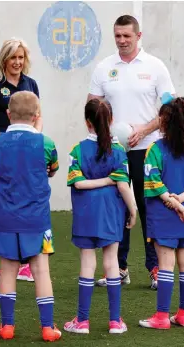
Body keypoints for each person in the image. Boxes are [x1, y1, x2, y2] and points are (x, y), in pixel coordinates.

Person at [88, 15, 177, 289]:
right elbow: (92, 108)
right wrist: (103, 139)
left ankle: (154, 268)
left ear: (139, 36)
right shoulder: (104, 68)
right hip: (113, 152)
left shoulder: (155, 67)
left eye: (127, 36)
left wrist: (146, 128)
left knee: (149, 208)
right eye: (117, 36)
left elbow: (170, 109)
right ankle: (120, 268)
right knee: (117, 209)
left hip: (147, 150)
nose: (122, 41)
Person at [0, 91, 62, 342]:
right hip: (36, 218)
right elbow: (52, 169)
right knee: (41, 271)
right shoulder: (46, 143)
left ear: (8, 114)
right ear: (36, 116)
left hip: (5, 217)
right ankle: (47, 328)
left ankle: (7, 326)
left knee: (7, 271)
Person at [63, 99, 137, 335]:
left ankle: (82, 322)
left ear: (87, 123)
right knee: (111, 262)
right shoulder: (118, 151)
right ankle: (115, 321)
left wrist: (99, 182)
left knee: (87, 262)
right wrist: (133, 210)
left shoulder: (77, 150)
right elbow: (124, 186)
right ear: (112, 121)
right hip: (111, 214)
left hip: (85, 213)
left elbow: (79, 183)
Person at [0, 38, 41, 284]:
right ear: (4, 59)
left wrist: (34, 137)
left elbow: (38, 117)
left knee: (23, 203)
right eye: (13, 57)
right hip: (1, 153)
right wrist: (4, 138)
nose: (17, 62)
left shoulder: (31, 84)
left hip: (25, 154)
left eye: (21, 57)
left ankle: (25, 264)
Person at [138, 94, 184, 330]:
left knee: (166, 264)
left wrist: (173, 202)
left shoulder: (154, 150)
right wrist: (182, 200)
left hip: (164, 214)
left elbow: (154, 182)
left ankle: (162, 317)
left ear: (165, 122)